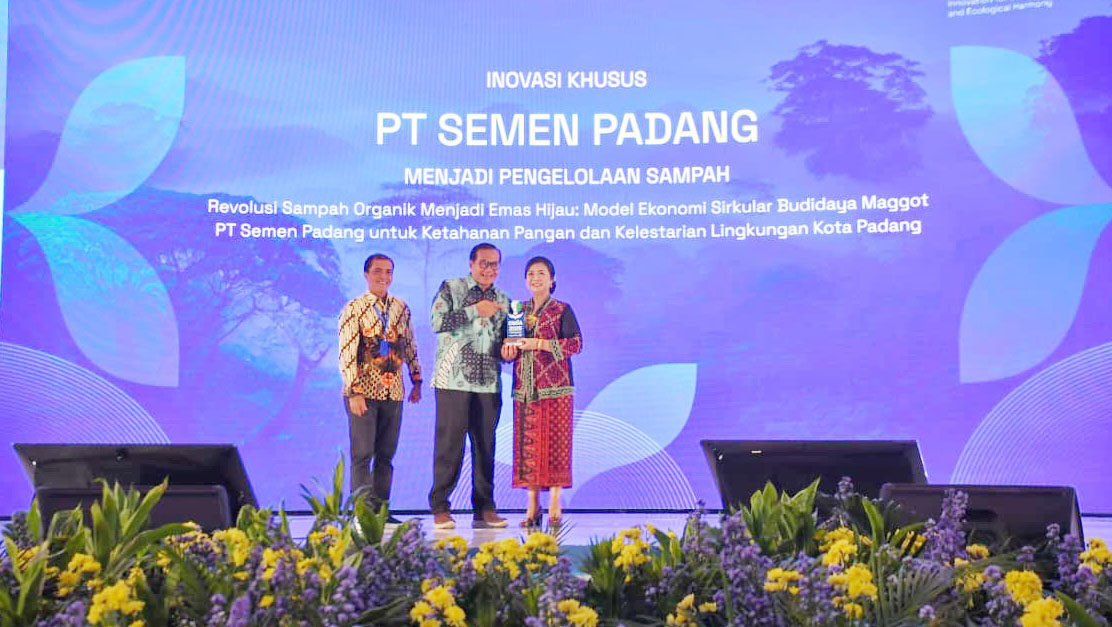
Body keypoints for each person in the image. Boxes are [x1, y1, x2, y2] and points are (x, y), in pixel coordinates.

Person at [428, 243, 511, 529]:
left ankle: (485, 508)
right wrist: (475, 310)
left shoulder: (504, 300)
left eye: (495, 264)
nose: (489, 269)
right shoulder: (452, 288)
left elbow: (504, 341)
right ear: (471, 264)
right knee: (449, 445)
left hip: (489, 382)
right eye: (484, 263)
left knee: (486, 446)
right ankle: (440, 507)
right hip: (453, 380)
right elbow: (437, 322)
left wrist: (509, 351)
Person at [338, 253, 422, 523]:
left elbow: (409, 343)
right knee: (363, 454)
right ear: (366, 274)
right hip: (364, 392)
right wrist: (354, 391)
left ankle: (382, 512)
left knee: (386, 455)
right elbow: (347, 351)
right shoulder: (354, 308)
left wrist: (416, 378)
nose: (383, 276)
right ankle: (363, 514)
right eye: (377, 271)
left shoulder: (400, 307)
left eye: (388, 272)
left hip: (393, 391)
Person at [500, 256, 582, 528]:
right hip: (525, 389)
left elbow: (575, 345)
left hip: (556, 388)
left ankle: (556, 500)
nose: (536, 278)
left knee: (556, 445)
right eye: (531, 274)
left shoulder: (562, 309)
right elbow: (509, 348)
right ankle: (532, 504)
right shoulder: (517, 310)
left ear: (552, 279)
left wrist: (540, 344)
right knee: (528, 448)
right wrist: (507, 352)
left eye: (542, 273)